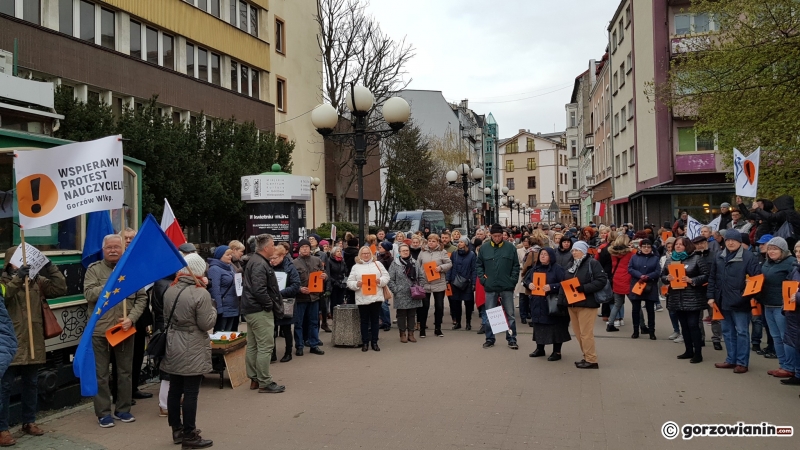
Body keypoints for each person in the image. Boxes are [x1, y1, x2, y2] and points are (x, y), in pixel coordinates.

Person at [0, 247, 66, 444]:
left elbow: (60, 288)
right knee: (4, 387)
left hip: (33, 341)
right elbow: (4, 297)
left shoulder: (37, 280)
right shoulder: (3, 281)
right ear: (11, 262)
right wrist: (18, 278)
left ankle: (29, 421)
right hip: (10, 343)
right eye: (20, 260)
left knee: (32, 383)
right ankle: (2, 429)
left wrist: (49, 266)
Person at [84, 235, 147, 427]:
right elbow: (89, 294)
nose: (113, 250)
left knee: (125, 371)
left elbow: (142, 298)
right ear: (103, 250)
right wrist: (111, 284)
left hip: (123, 328)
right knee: (101, 373)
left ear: (123, 249)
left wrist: (131, 318)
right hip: (100, 329)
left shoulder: (132, 269)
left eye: (116, 247)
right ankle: (103, 413)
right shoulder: (93, 270)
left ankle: (123, 409)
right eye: (109, 247)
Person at [161, 253, 216, 449]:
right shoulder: (200, 293)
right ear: (198, 270)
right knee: (191, 392)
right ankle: (190, 435)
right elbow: (206, 322)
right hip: (192, 343)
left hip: (173, 342)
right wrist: (214, 310)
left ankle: (176, 429)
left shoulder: (171, 289)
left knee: (175, 389)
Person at [707, 230, 761, 373]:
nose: (730, 242)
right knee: (727, 331)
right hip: (722, 301)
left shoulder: (749, 257)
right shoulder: (719, 256)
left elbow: (756, 279)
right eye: (728, 240)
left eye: (734, 240)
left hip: (741, 302)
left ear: (739, 242)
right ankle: (731, 359)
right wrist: (711, 296)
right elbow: (712, 278)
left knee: (742, 332)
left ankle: (742, 362)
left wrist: (745, 296)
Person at [241, 234, 286, 394]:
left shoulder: (255, 260)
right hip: (259, 310)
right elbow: (259, 289)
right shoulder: (260, 264)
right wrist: (269, 305)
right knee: (265, 346)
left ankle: (254, 378)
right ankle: (264, 382)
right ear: (266, 248)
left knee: (253, 345)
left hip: (251, 309)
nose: (274, 247)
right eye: (273, 245)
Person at [662, 237, 710, 364]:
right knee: (684, 326)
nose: (677, 246)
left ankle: (698, 353)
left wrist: (692, 280)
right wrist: (667, 278)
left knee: (693, 325)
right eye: (676, 244)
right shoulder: (670, 260)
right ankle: (688, 350)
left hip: (693, 297)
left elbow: (706, 276)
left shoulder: (696, 258)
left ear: (687, 246)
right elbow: (662, 276)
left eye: (681, 244)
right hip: (676, 297)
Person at [561, 241, 608, 369]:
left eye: (577, 250)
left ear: (584, 251)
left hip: (587, 303)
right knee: (578, 333)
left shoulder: (592, 263)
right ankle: (586, 356)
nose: (574, 252)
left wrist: (584, 288)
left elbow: (602, 280)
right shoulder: (571, 264)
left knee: (586, 333)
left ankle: (592, 360)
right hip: (572, 303)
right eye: (573, 250)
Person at [477, 224, 521, 350]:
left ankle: (512, 339)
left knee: (510, 314)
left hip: (506, 286)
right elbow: (479, 265)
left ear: (503, 235)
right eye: (495, 236)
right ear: (490, 235)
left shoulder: (510, 248)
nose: (497, 238)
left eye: (499, 236)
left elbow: (515, 266)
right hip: (490, 286)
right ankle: (490, 339)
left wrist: (512, 280)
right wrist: (483, 279)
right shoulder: (484, 248)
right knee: (491, 314)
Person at [757, 237, 795, 378]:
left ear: (783, 250)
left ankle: (791, 366)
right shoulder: (768, 262)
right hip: (767, 304)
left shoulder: (791, 263)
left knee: (786, 337)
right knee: (775, 336)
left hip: (782, 306)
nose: (772, 251)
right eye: (770, 248)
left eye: (775, 249)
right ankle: (783, 365)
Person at [525, 248, 569, 360]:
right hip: (537, 302)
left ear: (551, 256)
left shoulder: (557, 269)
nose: (542, 256)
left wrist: (552, 287)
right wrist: (529, 284)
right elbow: (526, 279)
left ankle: (557, 352)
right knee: (539, 326)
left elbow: (565, 284)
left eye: (545, 254)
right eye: (541, 254)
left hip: (551, 302)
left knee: (555, 327)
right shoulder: (536, 268)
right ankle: (540, 348)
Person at [347, 246, 390, 351]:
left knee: (375, 320)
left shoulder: (378, 264)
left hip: (376, 296)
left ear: (371, 254)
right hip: (362, 297)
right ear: (360, 255)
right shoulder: (356, 267)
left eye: (367, 253)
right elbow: (349, 282)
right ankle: (365, 342)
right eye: (363, 253)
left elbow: (386, 276)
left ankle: (374, 342)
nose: (366, 255)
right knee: (364, 321)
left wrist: (380, 281)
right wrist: (357, 284)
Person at [291, 240, 327, 355]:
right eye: (303, 247)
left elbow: (323, 274)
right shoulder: (294, 263)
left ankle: (314, 345)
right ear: (299, 249)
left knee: (314, 322)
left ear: (310, 248)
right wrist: (299, 288)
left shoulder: (317, 260)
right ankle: (299, 346)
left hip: (314, 297)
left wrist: (324, 276)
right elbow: (291, 281)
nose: (305, 249)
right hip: (301, 297)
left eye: (307, 247)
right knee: (299, 323)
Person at [415, 234, 452, 337]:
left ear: (437, 242)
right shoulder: (422, 252)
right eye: (429, 241)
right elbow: (417, 265)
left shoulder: (442, 252)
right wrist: (420, 276)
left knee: (439, 306)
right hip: (425, 283)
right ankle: (422, 329)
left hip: (438, 282)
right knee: (424, 306)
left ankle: (438, 328)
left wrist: (440, 268)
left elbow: (449, 264)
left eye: (433, 241)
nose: (431, 242)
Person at [269, 245, 301, 363]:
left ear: (282, 256)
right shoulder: (268, 267)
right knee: (271, 329)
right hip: (271, 302)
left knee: (286, 328)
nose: (272, 260)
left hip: (285, 301)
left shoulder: (290, 267)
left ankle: (288, 352)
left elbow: (296, 285)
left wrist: (280, 293)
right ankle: (272, 353)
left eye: (275, 258)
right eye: (271, 258)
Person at [388, 244, 422, 343]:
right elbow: (390, 279)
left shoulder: (415, 263)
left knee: (412, 314)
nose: (405, 252)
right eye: (403, 251)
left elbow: (421, 276)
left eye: (407, 250)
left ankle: (411, 333)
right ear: (399, 252)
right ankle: (402, 333)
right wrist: (395, 289)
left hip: (413, 292)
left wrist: (420, 287)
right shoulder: (395, 263)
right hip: (400, 293)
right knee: (401, 314)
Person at [627, 239, 660, 339]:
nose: (646, 248)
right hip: (637, 284)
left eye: (648, 247)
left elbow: (658, 271)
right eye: (644, 246)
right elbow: (630, 268)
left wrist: (648, 276)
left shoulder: (655, 258)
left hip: (650, 285)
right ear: (640, 248)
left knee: (650, 310)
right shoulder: (634, 257)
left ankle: (651, 332)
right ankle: (635, 330)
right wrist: (640, 275)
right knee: (635, 309)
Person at [447, 236, 476, 330]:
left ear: (466, 244)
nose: (459, 243)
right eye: (459, 242)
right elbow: (450, 267)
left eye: (461, 242)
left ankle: (468, 323)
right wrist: (448, 279)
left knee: (468, 304)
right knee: (456, 303)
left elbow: (474, 269)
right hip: (455, 282)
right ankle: (458, 323)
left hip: (467, 282)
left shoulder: (472, 254)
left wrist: (473, 282)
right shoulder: (454, 254)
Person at [606, 235, 634, 332]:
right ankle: (642, 325)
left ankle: (610, 324)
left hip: (616, 279)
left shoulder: (612, 253)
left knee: (617, 304)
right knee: (635, 303)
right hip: (627, 280)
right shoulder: (631, 253)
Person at [209, 246, 239, 332]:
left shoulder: (230, 267)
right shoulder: (215, 269)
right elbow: (215, 290)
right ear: (220, 256)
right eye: (227, 255)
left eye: (231, 254)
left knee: (230, 334)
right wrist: (219, 308)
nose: (230, 256)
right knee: (221, 335)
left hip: (233, 306)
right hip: (223, 307)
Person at [782, 242, 800, 387]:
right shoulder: (795, 268)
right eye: (797, 251)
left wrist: (798, 297)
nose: (798, 253)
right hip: (793, 313)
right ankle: (798, 374)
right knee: (795, 344)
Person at [327, 246, 348, 312]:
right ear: (333, 253)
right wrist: (334, 281)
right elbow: (328, 273)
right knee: (334, 302)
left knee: (341, 302)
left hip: (341, 285)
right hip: (333, 285)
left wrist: (344, 281)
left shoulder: (342, 261)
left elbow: (345, 272)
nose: (339, 253)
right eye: (337, 251)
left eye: (340, 251)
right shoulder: (329, 261)